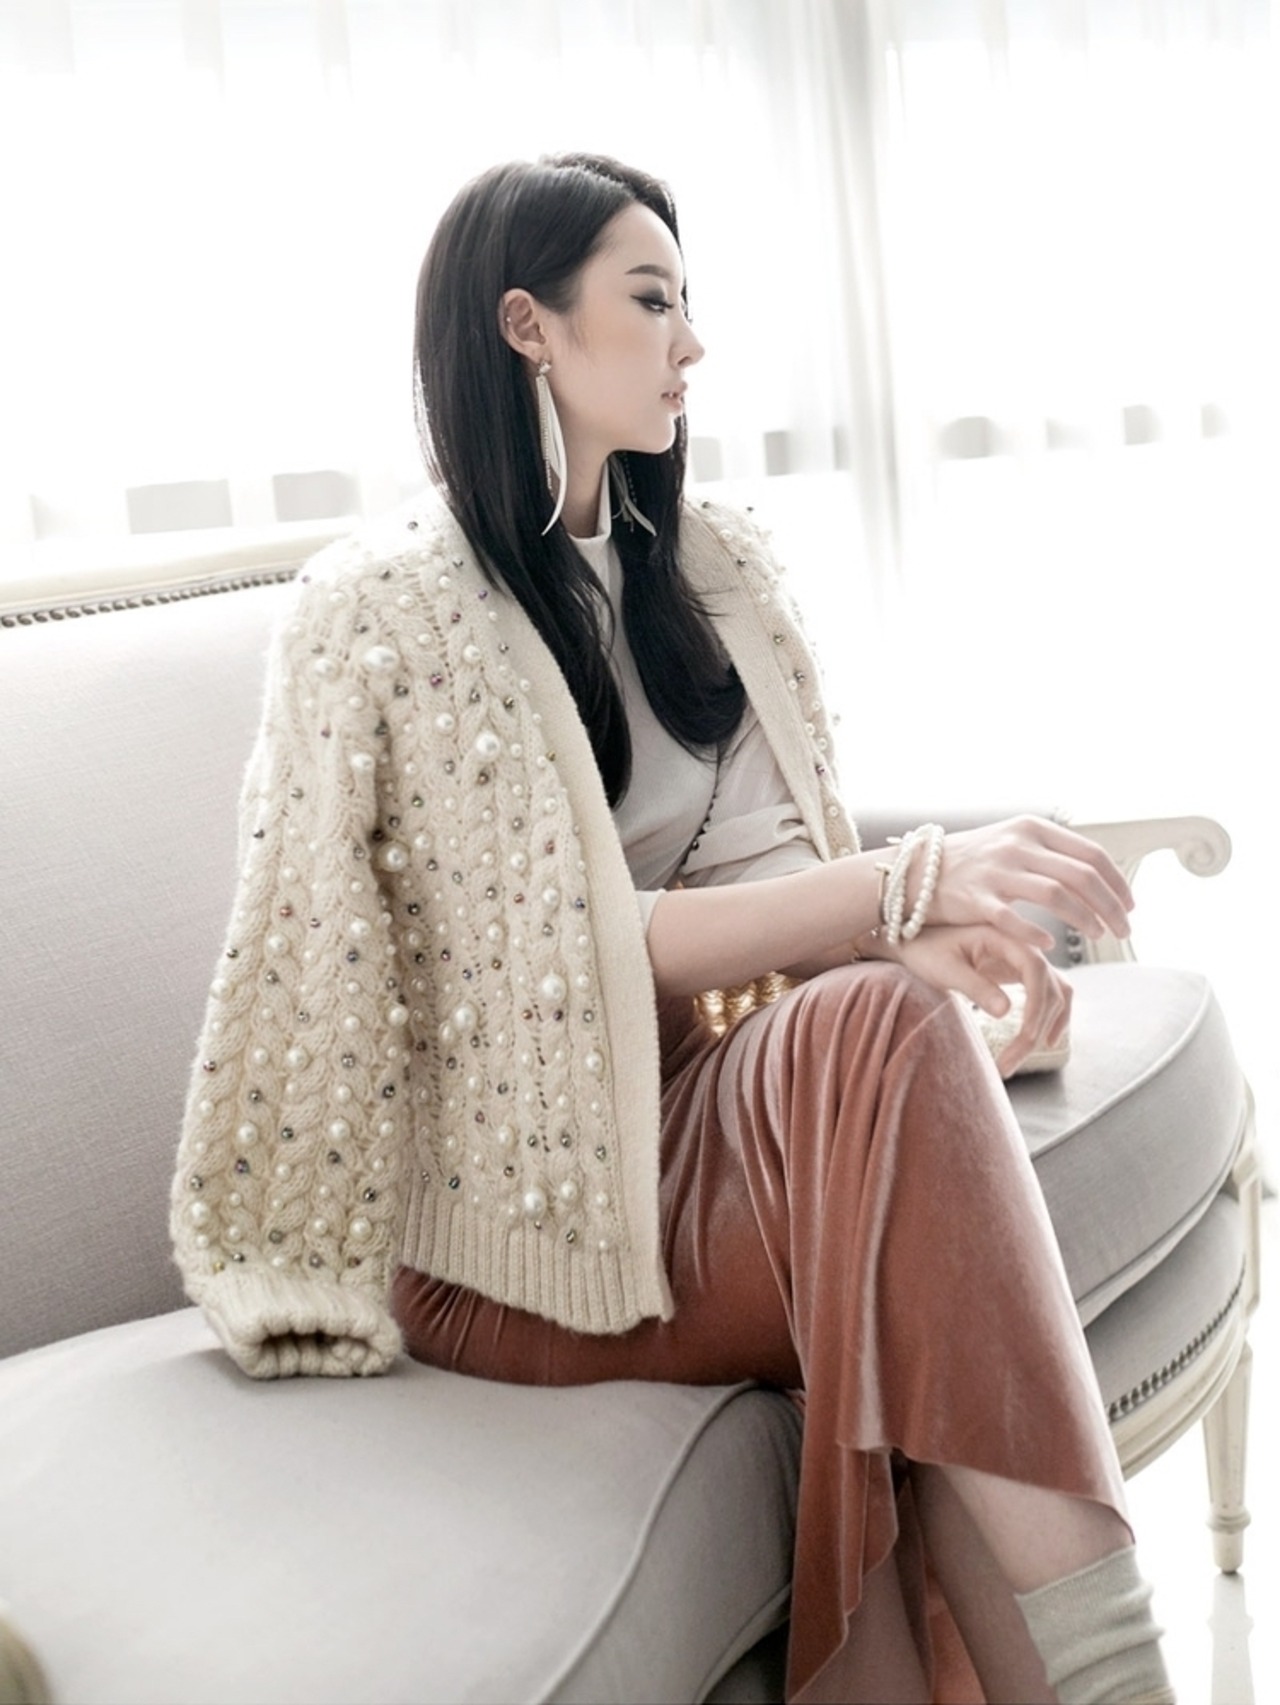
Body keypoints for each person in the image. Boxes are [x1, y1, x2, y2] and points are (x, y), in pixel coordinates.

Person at [170, 153, 1174, 1704]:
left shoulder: (713, 572)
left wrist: (916, 950)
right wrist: (900, 889)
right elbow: (566, 949)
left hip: (713, 1124)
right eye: (651, 301)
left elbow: (778, 874)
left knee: (892, 1028)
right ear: (527, 325)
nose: (691, 343)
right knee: (888, 1059)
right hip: (525, 1232)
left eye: (688, 301)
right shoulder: (385, 616)